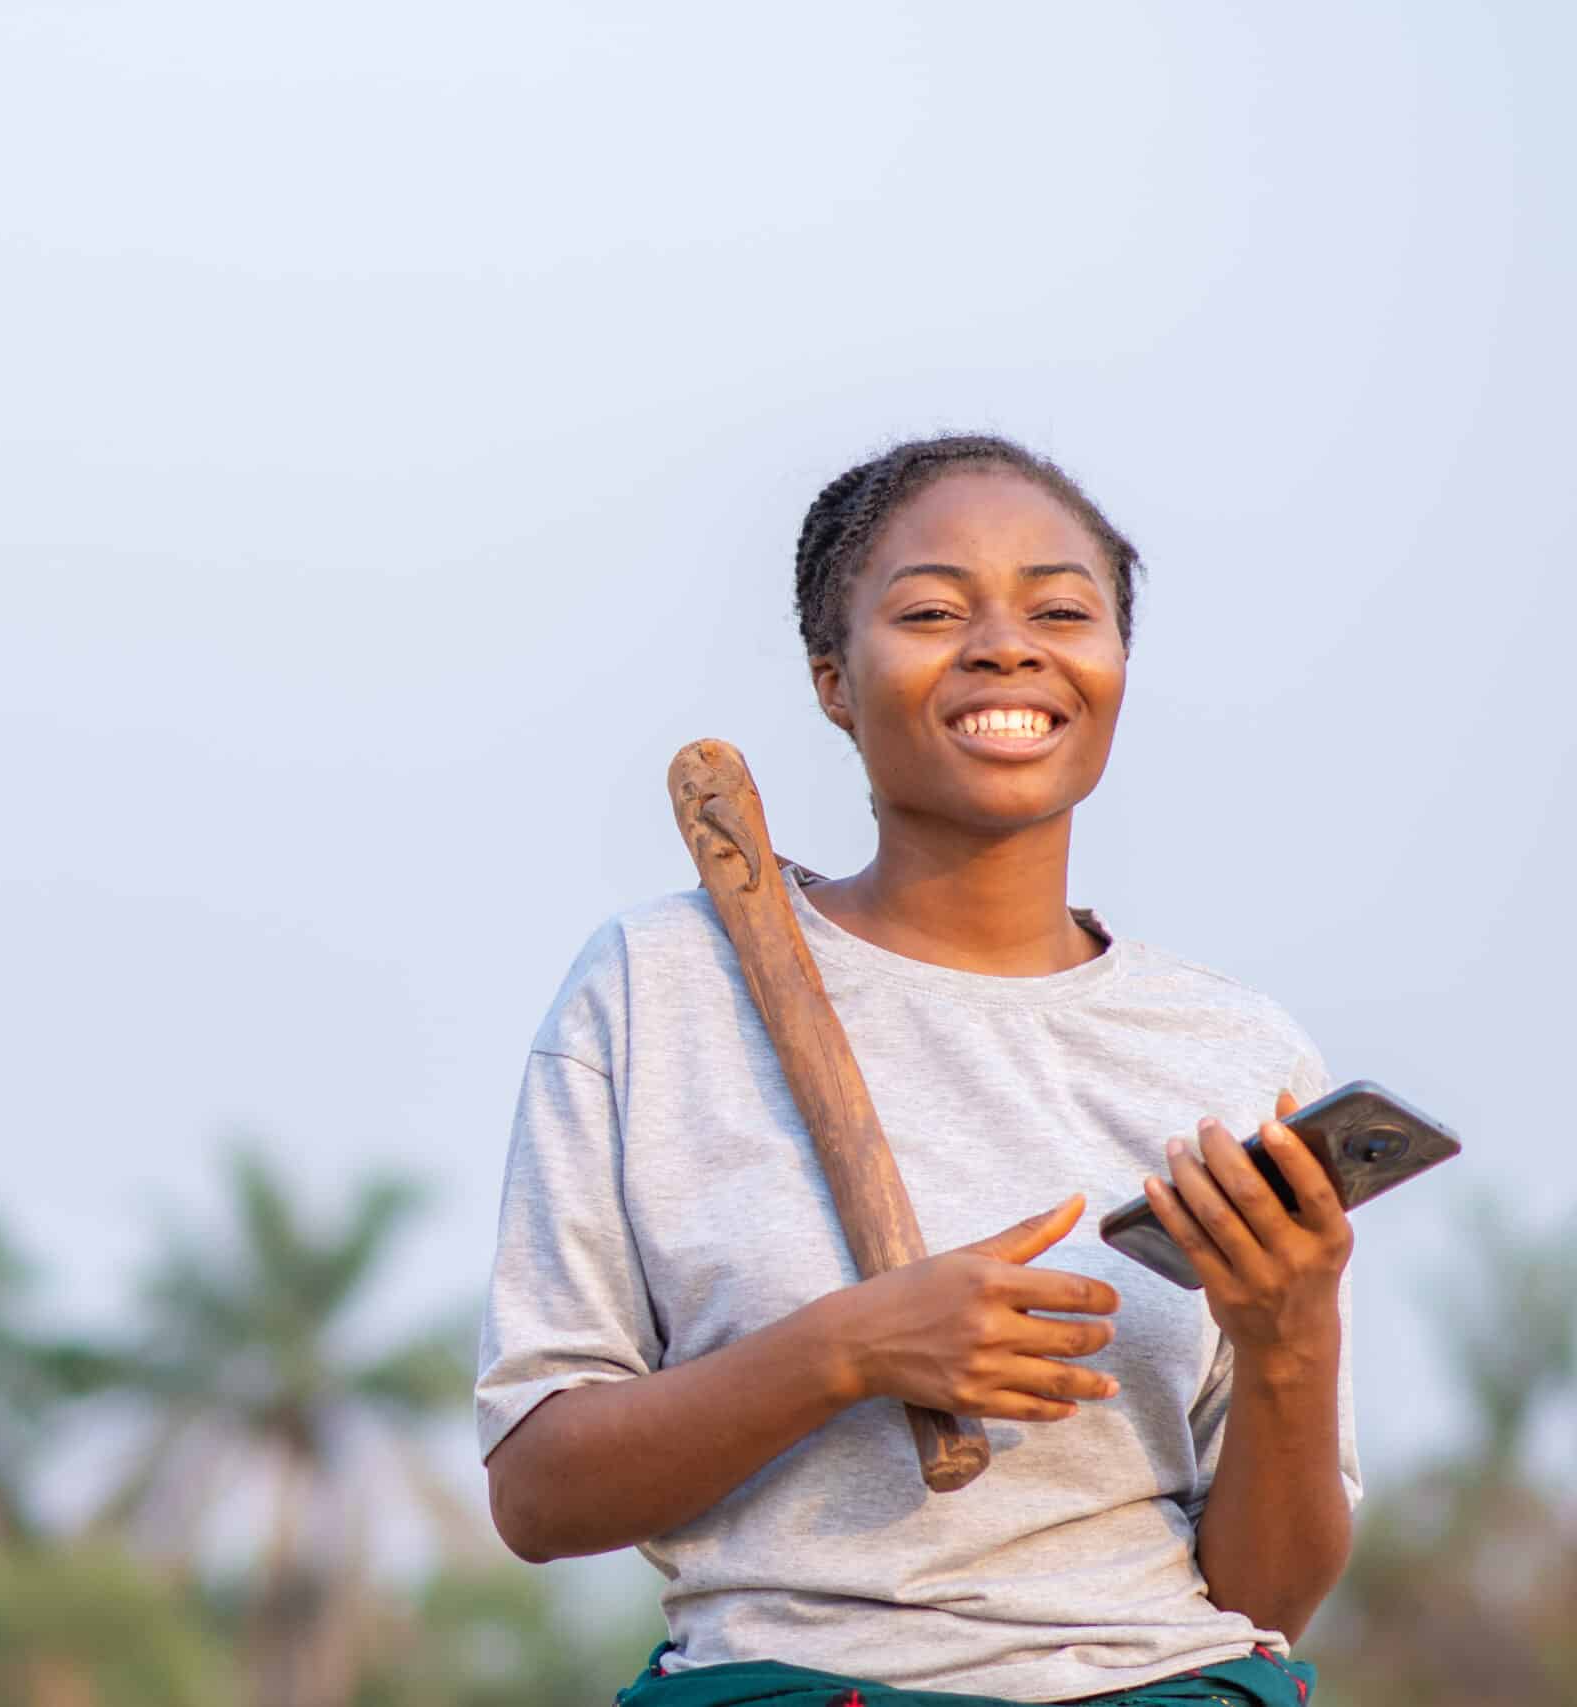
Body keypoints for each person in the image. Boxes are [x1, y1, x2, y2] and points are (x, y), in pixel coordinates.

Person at [474, 435, 1360, 1707]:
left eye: (1062, 609)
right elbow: (540, 1494)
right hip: (796, 1685)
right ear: (834, 682)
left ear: (1112, 668)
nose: (1007, 645)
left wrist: (1290, 1341)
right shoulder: (660, 986)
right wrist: (847, 1351)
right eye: (935, 612)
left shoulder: (1232, 1053)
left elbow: (1266, 1601)